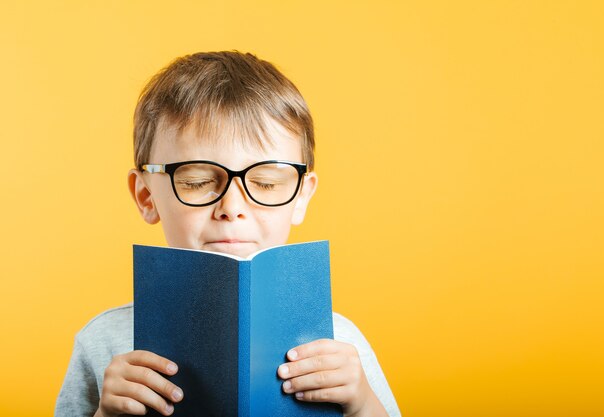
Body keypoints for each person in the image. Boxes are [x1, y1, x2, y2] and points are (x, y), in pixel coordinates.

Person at [55, 51, 401, 417]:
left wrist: (361, 402)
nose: (232, 207)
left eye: (266, 183)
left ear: (300, 196)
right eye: (198, 181)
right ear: (146, 196)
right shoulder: (102, 341)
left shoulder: (341, 344)